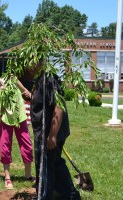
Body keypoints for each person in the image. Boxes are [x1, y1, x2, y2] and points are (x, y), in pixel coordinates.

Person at [29, 61, 81, 200]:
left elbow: (59, 107)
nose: (29, 66)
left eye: (32, 62)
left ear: (41, 62)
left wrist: (52, 135)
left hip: (51, 132)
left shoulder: (49, 79)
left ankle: (45, 195)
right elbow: (44, 103)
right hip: (44, 131)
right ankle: (70, 194)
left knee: (46, 165)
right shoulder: (40, 79)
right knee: (55, 162)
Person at [0, 67, 34, 190]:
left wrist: (34, 101)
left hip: (20, 118)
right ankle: (7, 178)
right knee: (4, 147)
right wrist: (0, 109)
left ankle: (28, 175)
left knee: (27, 145)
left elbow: (25, 91)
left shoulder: (12, 79)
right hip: (6, 120)